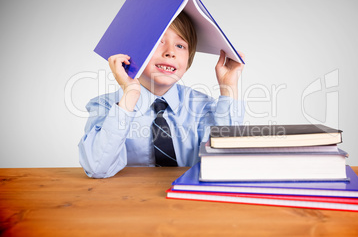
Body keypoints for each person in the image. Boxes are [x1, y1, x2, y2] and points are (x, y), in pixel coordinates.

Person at [78, 12, 244, 178]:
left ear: (189, 59)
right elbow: (97, 168)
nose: (170, 52)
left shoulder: (203, 107)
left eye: (180, 46)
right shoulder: (106, 106)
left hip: (187, 201)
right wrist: (129, 96)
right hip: (129, 199)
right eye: (158, 42)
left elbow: (226, 163)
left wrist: (228, 86)